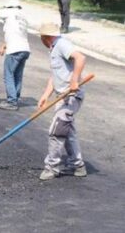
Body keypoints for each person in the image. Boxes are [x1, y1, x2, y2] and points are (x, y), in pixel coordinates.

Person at [36, 22, 87, 181]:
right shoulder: (54, 49)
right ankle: (77, 165)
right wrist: (46, 94)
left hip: (71, 96)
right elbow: (55, 75)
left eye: (41, 38)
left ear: (46, 37)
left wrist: (74, 81)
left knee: (57, 131)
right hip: (61, 96)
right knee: (67, 131)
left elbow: (80, 57)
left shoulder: (62, 44)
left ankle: (52, 167)